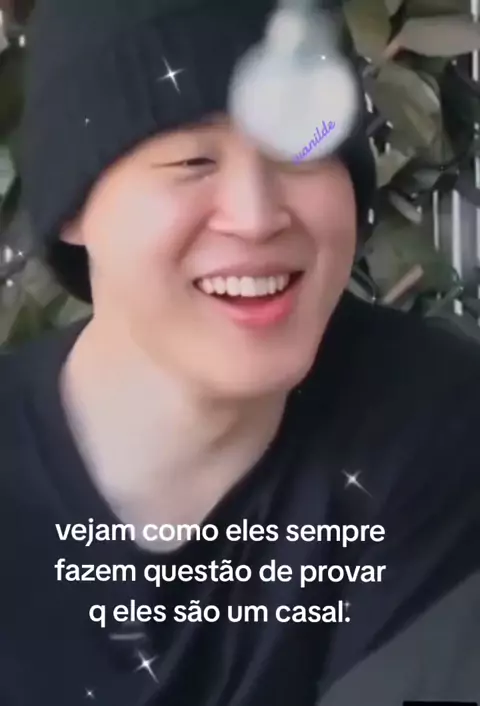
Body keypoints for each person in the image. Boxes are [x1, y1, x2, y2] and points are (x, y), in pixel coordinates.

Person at [1, 0, 479, 705]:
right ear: (73, 208)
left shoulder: (438, 432)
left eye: (302, 148)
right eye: (192, 161)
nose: (255, 218)